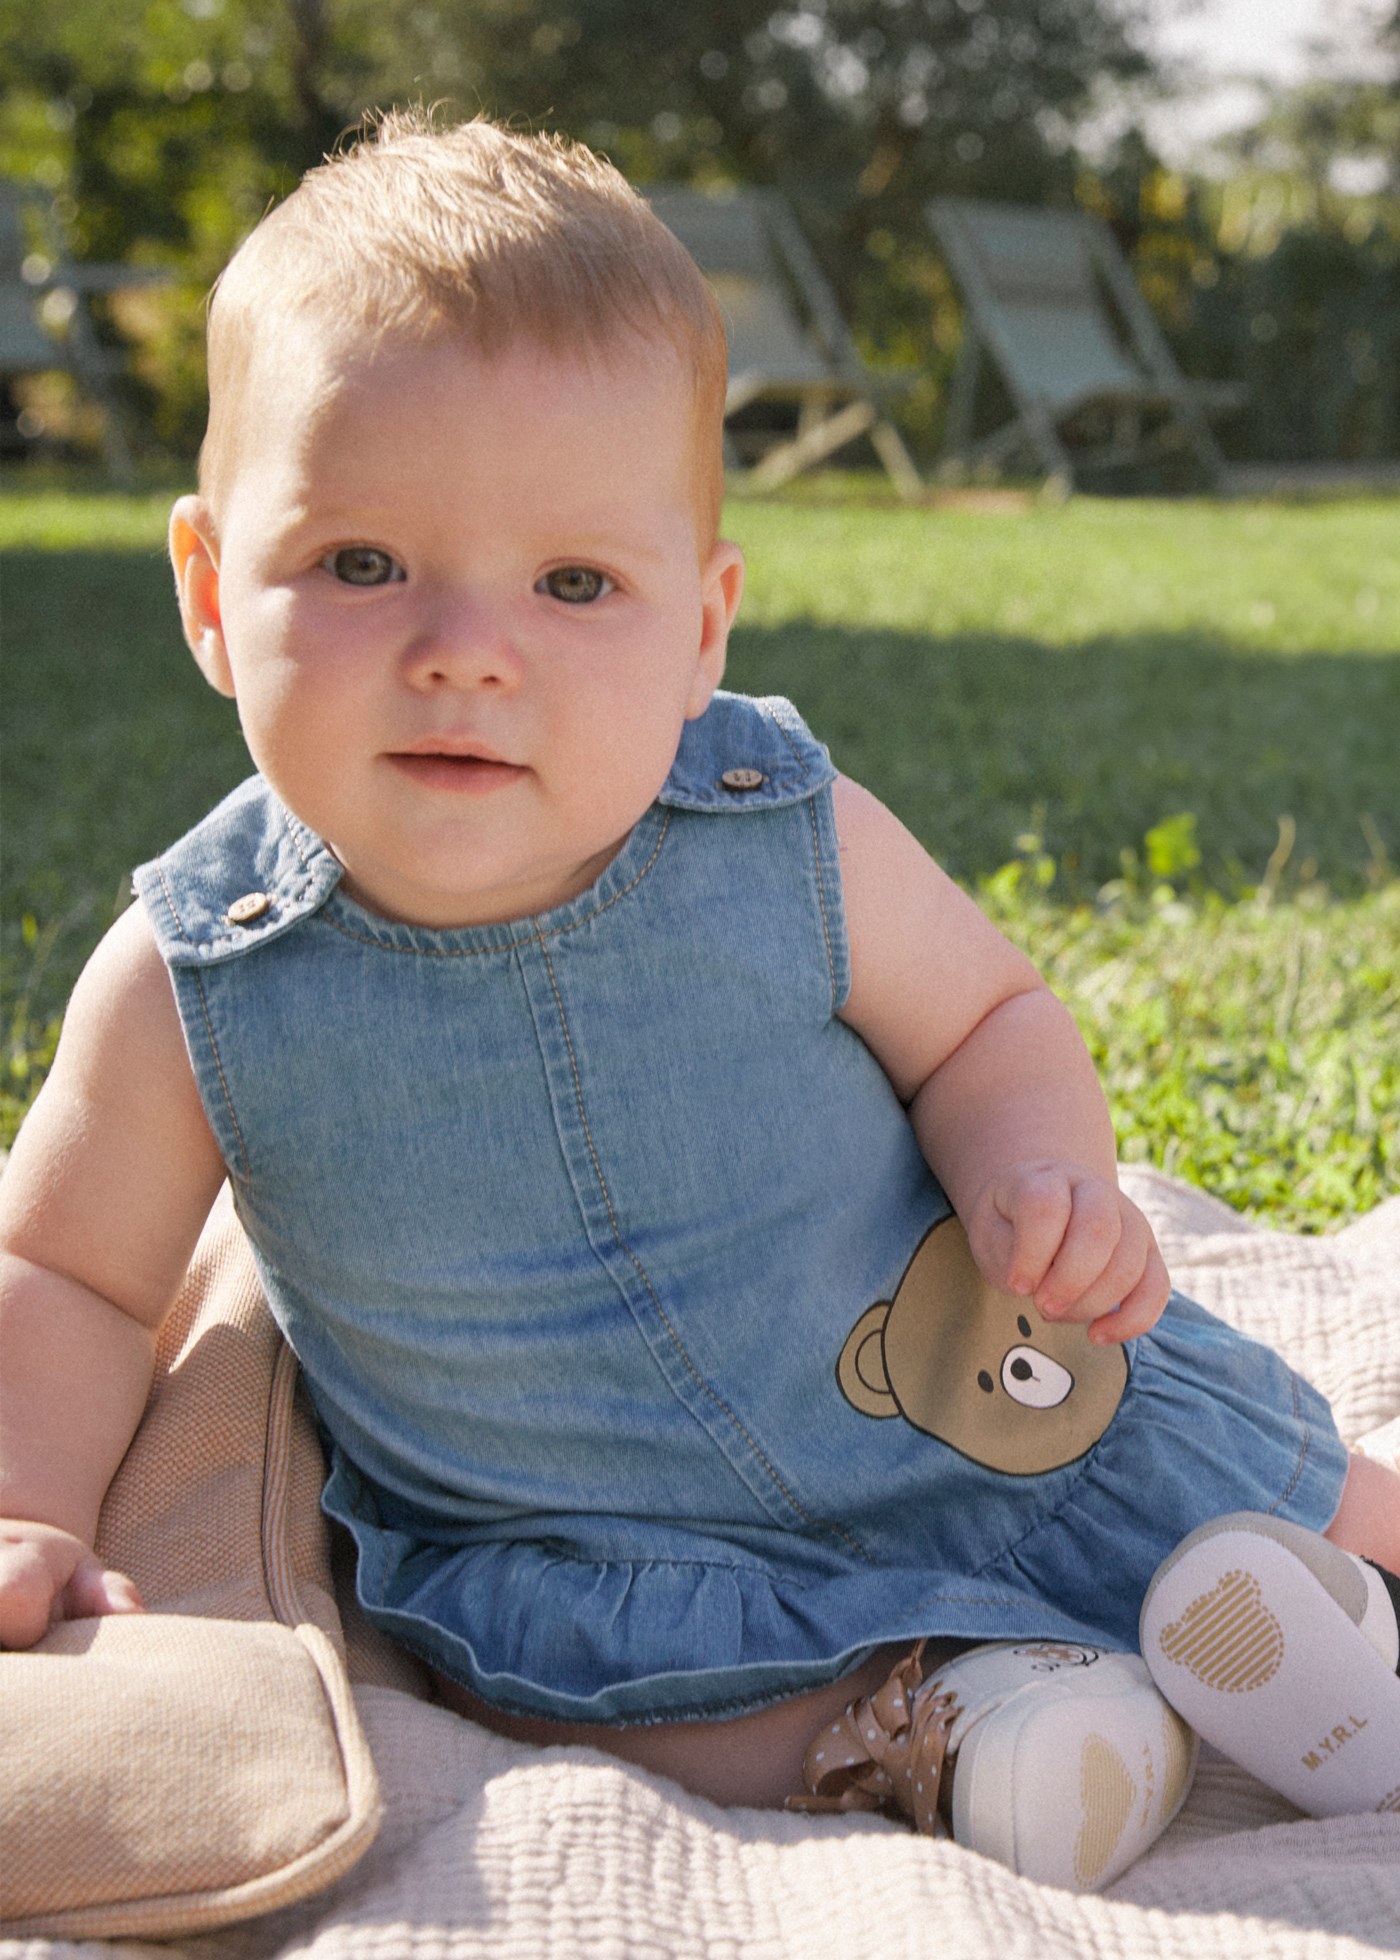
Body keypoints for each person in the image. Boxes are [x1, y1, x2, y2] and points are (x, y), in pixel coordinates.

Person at [1, 112, 1397, 1890]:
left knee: (1197, 1434)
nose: (465, 647)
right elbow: (69, 1271)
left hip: (950, 1378)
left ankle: (1333, 1601)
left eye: (576, 583)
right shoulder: (203, 971)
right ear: (209, 591)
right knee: (641, 1702)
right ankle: (982, 1720)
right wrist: (27, 1503)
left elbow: (985, 1025)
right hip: (594, 1538)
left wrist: (1038, 1176)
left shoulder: (778, 833)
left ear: (704, 628)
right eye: (362, 566)